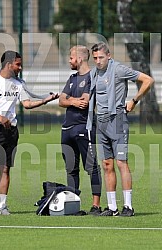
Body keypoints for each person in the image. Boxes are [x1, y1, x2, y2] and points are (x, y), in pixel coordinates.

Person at [0, 50, 59, 216]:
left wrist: (45, 100)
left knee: (5, 169)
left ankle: (2, 206)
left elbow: (26, 104)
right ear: (8, 64)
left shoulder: (18, 83)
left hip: (11, 131)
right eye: (18, 64)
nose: (20, 68)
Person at [87, 42, 154, 216]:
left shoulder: (118, 69)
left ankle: (128, 206)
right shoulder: (94, 73)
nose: (98, 61)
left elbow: (148, 80)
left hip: (117, 120)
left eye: (101, 57)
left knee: (121, 163)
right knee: (107, 165)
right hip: (100, 122)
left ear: (109, 56)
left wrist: (134, 100)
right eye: (95, 58)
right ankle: (112, 207)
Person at [59, 45, 102, 215]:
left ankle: (96, 205)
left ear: (80, 58)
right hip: (67, 129)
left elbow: (85, 101)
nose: (69, 61)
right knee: (71, 168)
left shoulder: (92, 76)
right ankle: (73, 204)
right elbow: (61, 100)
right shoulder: (72, 78)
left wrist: (70, 99)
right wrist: (72, 101)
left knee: (91, 167)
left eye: (71, 58)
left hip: (84, 127)